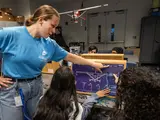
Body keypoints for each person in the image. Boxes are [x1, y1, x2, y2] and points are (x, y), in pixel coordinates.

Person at [0, 5, 104, 120]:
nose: (54, 31)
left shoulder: (49, 44)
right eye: (52, 26)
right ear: (41, 20)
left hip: (36, 86)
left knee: (37, 117)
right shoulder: (10, 34)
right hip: (12, 87)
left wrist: (92, 63)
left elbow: (70, 57)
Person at [33, 66, 110, 120]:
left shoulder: (42, 99)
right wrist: (94, 96)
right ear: (72, 85)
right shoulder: (74, 108)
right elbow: (84, 112)